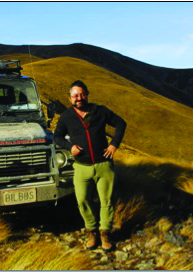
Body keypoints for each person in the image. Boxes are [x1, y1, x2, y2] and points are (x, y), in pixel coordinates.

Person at [54, 80, 127, 251]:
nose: (78, 98)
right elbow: (57, 137)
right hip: (81, 167)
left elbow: (121, 124)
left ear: (86, 94)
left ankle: (105, 234)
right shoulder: (66, 116)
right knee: (82, 200)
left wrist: (114, 144)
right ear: (70, 98)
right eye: (75, 95)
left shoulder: (100, 111)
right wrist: (69, 146)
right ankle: (91, 232)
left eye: (81, 94)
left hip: (104, 165)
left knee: (106, 201)